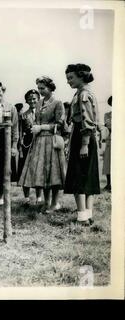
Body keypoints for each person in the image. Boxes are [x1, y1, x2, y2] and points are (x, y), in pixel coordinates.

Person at [18, 76, 66, 214]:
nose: (40, 91)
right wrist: (35, 127)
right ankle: (46, 202)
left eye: (43, 88)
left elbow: (60, 124)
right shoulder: (38, 103)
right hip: (39, 142)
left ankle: (55, 203)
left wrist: (42, 127)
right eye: (39, 88)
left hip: (52, 141)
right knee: (43, 173)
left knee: (54, 173)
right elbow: (36, 121)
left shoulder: (57, 103)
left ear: (50, 87)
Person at [64, 64, 100, 225]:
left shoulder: (83, 95)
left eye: (71, 77)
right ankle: (87, 215)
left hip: (83, 135)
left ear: (81, 76)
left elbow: (87, 120)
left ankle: (82, 217)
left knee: (79, 176)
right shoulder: (83, 92)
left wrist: (84, 144)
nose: (68, 81)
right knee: (87, 176)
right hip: (85, 135)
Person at [18, 89, 42, 204]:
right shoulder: (23, 115)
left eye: (34, 99)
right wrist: (20, 147)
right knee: (25, 170)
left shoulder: (42, 112)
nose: (32, 101)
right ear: (26, 101)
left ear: (38, 99)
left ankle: (39, 198)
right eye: (30, 99)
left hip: (40, 141)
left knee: (39, 170)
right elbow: (20, 131)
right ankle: (26, 199)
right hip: (27, 143)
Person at [102, 96, 112, 192]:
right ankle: (109, 183)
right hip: (111, 139)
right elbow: (108, 127)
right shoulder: (107, 115)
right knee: (108, 162)